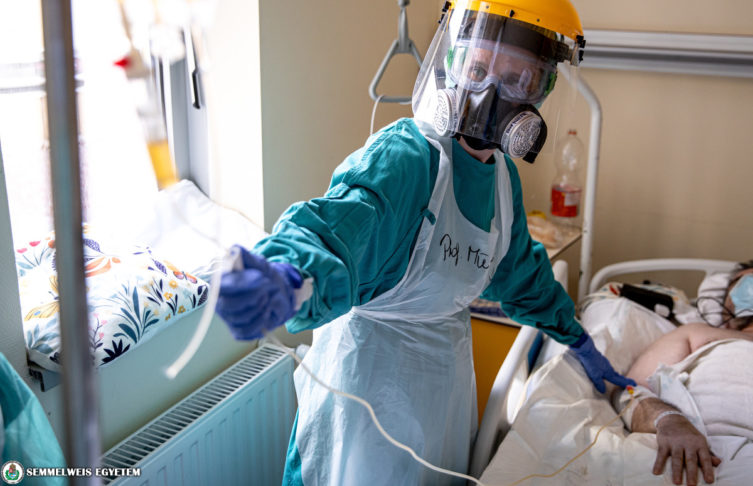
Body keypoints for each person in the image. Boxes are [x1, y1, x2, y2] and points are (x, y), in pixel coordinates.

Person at [216, 1, 633, 484]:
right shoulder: (406, 158)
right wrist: (287, 275)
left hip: (442, 395)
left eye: (516, 80)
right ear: (452, 62)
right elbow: (338, 228)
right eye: (477, 70)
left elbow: (522, 274)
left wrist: (576, 337)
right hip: (363, 397)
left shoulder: (502, 182)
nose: (488, 95)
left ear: (542, 91)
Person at [613, 261, 753, 486]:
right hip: (701, 449)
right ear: (726, 301)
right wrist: (670, 420)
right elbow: (630, 391)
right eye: (743, 281)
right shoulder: (697, 334)